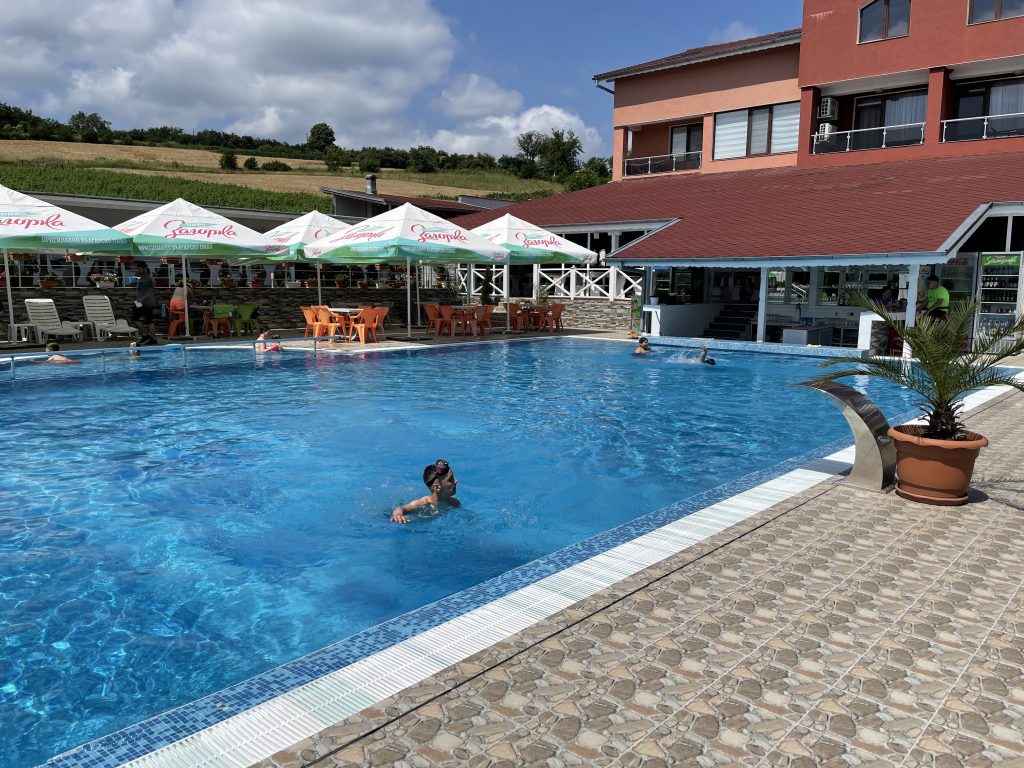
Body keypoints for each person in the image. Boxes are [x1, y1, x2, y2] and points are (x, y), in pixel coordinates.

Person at [391, 459, 460, 524]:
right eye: (451, 479)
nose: (456, 481)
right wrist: (398, 515)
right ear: (437, 487)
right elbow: (402, 508)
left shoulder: (454, 503)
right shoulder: (423, 504)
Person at [133, 263, 159, 345]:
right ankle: (145, 335)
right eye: (138, 269)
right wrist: (137, 300)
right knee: (134, 318)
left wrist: (143, 297)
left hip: (147, 303)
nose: (138, 271)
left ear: (145, 269)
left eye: (140, 269)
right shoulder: (141, 278)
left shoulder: (149, 278)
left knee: (149, 321)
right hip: (139, 302)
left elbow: (151, 289)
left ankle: (153, 339)